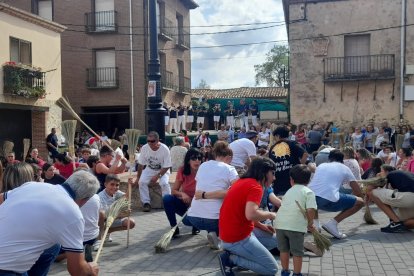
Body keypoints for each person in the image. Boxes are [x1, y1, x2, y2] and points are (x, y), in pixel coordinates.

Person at [0, 170, 100, 275]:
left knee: (53, 247)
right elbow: (77, 271)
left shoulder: (32, 186)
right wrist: (90, 269)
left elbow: (1, 198)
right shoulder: (73, 214)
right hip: (6, 269)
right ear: (85, 200)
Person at [218, 157, 278, 276]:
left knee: (276, 240)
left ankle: (239, 255)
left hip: (232, 234)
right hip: (236, 238)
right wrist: (271, 214)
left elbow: (244, 213)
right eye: (273, 173)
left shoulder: (243, 181)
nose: (274, 178)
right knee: (272, 269)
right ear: (264, 172)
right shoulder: (255, 187)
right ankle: (231, 259)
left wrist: (261, 226)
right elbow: (251, 214)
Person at [187, 141, 238, 249]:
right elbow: (236, 192)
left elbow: (203, 186)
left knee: (212, 210)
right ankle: (221, 237)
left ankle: (214, 234)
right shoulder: (230, 169)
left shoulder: (203, 165)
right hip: (214, 220)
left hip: (193, 218)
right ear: (229, 157)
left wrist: (205, 195)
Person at [308, 150, 364, 239]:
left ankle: (316, 225)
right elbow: (357, 190)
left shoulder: (322, 165)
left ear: (329, 159)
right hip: (326, 200)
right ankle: (332, 224)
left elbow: (312, 168)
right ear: (342, 160)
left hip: (309, 199)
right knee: (360, 202)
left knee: (315, 195)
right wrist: (361, 198)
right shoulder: (345, 168)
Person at [275, 165, 317, 276]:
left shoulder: (289, 191)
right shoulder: (308, 192)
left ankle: (285, 271)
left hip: (280, 224)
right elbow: (311, 209)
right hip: (295, 227)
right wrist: (310, 222)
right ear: (309, 180)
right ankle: (297, 273)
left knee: (284, 250)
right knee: (297, 252)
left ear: (291, 180)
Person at [162, 149, 203, 237]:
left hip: (199, 205)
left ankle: (197, 225)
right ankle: (174, 228)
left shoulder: (205, 171)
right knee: (167, 198)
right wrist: (183, 194)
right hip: (186, 203)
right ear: (188, 160)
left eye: (199, 158)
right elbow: (174, 191)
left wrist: (195, 202)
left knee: (187, 221)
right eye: (194, 158)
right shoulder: (183, 170)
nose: (197, 161)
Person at [366, 165, 414, 233]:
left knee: (372, 193)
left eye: (381, 171)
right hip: (410, 198)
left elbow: (370, 189)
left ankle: (396, 223)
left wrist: (377, 178)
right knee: (402, 221)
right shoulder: (403, 174)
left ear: (387, 172)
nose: (380, 173)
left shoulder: (390, 175)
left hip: (410, 197)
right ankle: (399, 224)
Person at [93, 174, 135, 250]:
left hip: (112, 219)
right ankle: (98, 240)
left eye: (117, 185)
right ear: (105, 184)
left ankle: (107, 232)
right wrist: (122, 214)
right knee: (102, 215)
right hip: (101, 222)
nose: (115, 187)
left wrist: (129, 185)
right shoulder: (100, 197)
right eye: (112, 184)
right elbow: (104, 215)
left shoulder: (116, 192)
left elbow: (126, 198)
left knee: (131, 223)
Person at [135, 131, 172, 212]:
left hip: (163, 169)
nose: (150, 143)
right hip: (149, 169)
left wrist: (157, 176)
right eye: (148, 141)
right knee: (142, 182)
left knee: (164, 183)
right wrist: (138, 178)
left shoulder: (164, 149)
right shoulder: (144, 148)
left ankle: (168, 202)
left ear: (158, 140)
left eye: (152, 141)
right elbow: (141, 164)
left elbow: (167, 165)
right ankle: (146, 203)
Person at [269, 126, 308, 195]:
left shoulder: (273, 147)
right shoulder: (293, 143)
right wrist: (300, 167)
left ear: (278, 136)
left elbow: (270, 163)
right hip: (292, 180)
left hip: (279, 182)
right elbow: (305, 154)